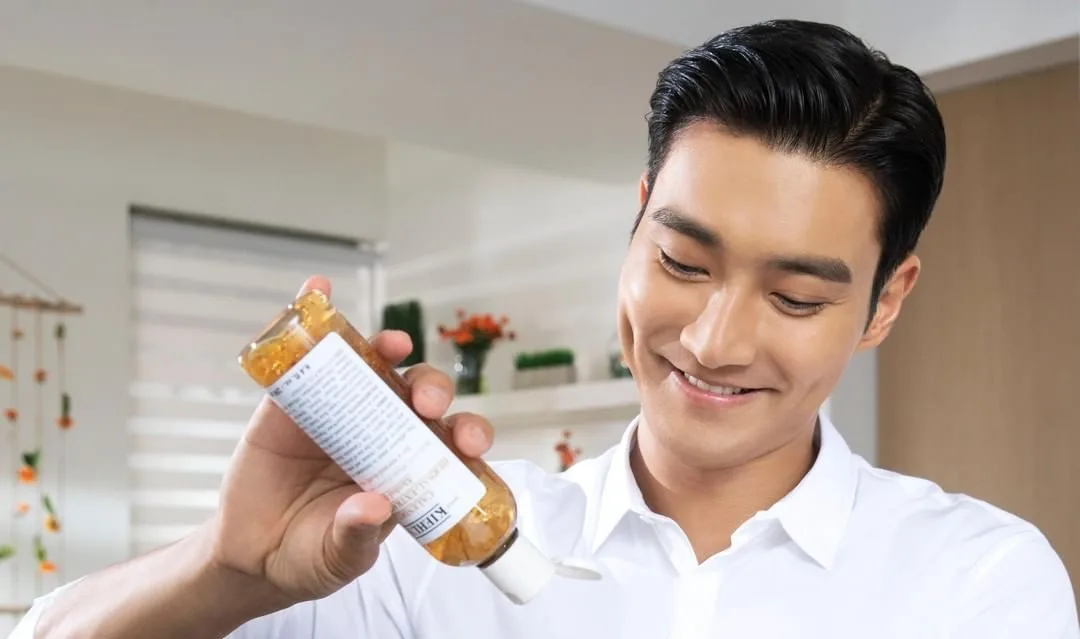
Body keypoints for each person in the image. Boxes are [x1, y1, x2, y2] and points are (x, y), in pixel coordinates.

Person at [12, 18, 1079, 639]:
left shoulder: (973, 582)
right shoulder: (428, 550)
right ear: (636, 220)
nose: (714, 340)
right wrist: (226, 564)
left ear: (885, 301)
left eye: (795, 297)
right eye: (682, 262)